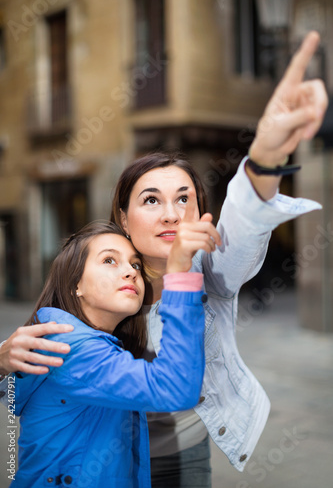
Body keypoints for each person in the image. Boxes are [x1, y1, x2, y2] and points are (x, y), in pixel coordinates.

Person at [0, 31, 328, 487]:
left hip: (184, 452)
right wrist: (2, 360)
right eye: (151, 200)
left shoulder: (209, 271)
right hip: (110, 452)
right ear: (122, 214)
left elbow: (244, 223)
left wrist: (266, 156)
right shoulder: (96, 276)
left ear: (199, 213)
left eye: (184, 200)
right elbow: (30, 392)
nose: (171, 213)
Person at [10, 210, 214, 488]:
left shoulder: (76, 340)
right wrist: (180, 277)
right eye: (109, 260)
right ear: (75, 285)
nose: (131, 271)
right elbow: (175, 388)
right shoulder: (70, 347)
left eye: (136, 265)